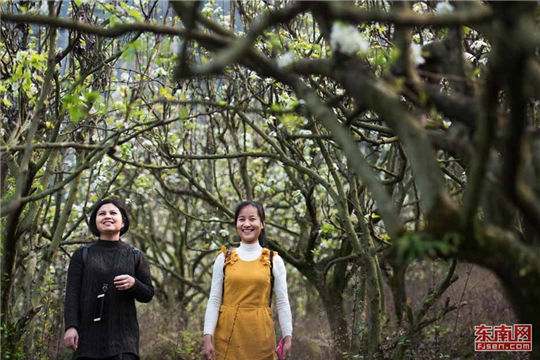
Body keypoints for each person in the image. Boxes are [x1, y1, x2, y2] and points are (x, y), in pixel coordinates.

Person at [63, 198, 154, 360]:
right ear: (95, 222)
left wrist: (134, 284)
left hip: (124, 341)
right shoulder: (82, 254)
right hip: (87, 341)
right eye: (101, 214)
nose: (107, 216)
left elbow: (147, 294)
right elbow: (72, 294)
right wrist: (71, 327)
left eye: (113, 213)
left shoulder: (135, 255)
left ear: (123, 222)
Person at [203, 200, 293, 360]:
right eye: (241, 219)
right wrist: (207, 336)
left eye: (252, 219)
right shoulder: (224, 259)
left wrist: (288, 335)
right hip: (227, 337)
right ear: (236, 223)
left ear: (262, 223)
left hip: (261, 338)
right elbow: (214, 300)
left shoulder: (273, 260)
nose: (247, 224)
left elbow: (282, 302)